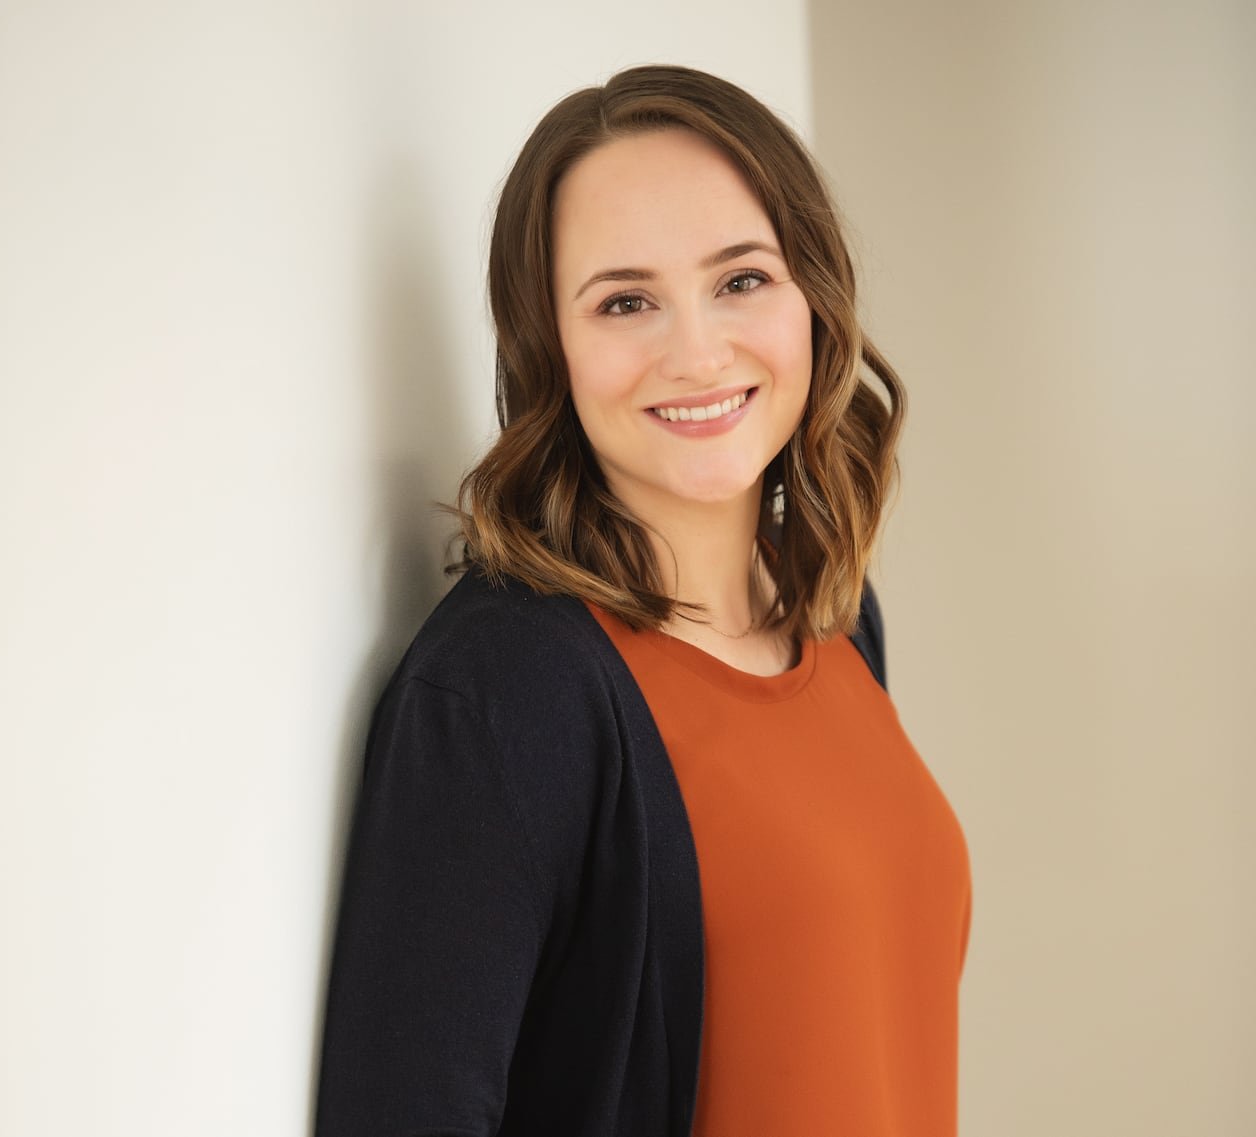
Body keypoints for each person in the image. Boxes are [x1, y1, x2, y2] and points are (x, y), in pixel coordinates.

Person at [315, 64, 971, 1137]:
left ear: (811, 295)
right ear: (549, 347)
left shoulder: (838, 622)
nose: (695, 351)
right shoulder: (506, 693)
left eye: (740, 280)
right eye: (625, 301)